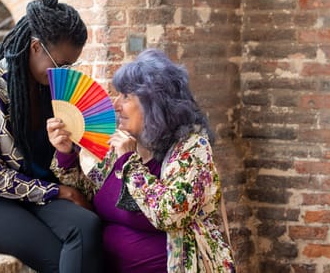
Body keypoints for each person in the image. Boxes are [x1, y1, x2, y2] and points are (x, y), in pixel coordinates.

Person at [0, 0, 103, 273]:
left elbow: (60, 162)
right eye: (61, 63)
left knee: (88, 225)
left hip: (32, 192)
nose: (64, 71)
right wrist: (60, 192)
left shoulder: (55, 89)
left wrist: (65, 152)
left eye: (70, 65)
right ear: (36, 47)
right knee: (58, 254)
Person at [48, 48, 235, 273]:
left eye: (126, 96)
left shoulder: (192, 149)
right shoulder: (125, 144)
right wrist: (66, 154)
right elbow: (92, 195)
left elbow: (169, 213)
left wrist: (129, 162)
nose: (116, 105)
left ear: (154, 103)